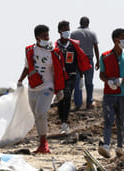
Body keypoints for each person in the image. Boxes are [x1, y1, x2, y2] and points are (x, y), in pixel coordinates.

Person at [17, 24, 66, 154]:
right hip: (33, 88)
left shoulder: (53, 52)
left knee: (41, 113)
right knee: (37, 116)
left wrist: (59, 89)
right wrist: (20, 80)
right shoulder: (30, 50)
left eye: (48, 35)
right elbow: (27, 67)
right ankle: (41, 143)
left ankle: (44, 144)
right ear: (37, 37)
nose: (47, 37)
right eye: (44, 35)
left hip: (47, 87)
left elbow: (58, 72)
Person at [98, 28, 124, 159]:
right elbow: (101, 74)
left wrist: (123, 80)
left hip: (123, 93)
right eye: (123, 38)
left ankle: (120, 147)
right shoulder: (105, 56)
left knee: (121, 120)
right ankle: (106, 146)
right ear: (115, 40)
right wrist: (107, 81)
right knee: (108, 120)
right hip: (109, 93)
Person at [54, 20, 91, 134]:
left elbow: (80, 60)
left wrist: (81, 77)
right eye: (64, 29)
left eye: (68, 29)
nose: (67, 31)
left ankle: (65, 123)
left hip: (72, 75)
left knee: (68, 95)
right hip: (60, 77)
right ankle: (62, 120)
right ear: (59, 31)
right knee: (61, 99)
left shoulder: (74, 45)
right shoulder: (55, 46)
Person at [70, 16, 100, 110]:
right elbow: (95, 47)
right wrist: (98, 61)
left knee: (77, 82)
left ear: (80, 23)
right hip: (88, 60)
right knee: (89, 82)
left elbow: (72, 48)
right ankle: (89, 103)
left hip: (77, 60)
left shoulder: (74, 33)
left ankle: (78, 104)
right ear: (88, 23)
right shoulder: (92, 33)